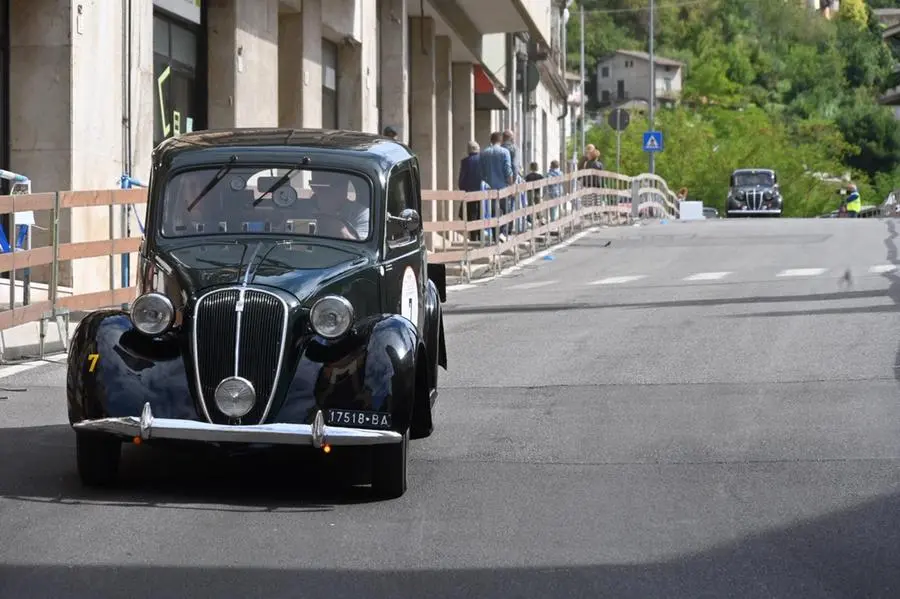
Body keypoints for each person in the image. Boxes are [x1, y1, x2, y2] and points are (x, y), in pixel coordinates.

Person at [302, 170, 370, 239]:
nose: (343, 188)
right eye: (318, 186)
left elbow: (362, 247)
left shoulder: (360, 213)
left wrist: (341, 232)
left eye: (342, 183)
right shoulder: (302, 209)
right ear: (313, 187)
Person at [479, 131, 514, 243]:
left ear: (491, 140)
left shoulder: (484, 153)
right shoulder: (505, 152)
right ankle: (503, 233)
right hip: (502, 186)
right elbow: (507, 170)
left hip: (489, 188)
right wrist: (511, 185)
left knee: (493, 212)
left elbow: (481, 171)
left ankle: (495, 235)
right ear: (501, 140)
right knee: (505, 210)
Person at [458, 141, 483, 241]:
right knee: (480, 213)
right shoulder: (483, 160)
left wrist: (462, 187)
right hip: (481, 191)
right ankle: (480, 236)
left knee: (471, 214)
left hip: (469, 191)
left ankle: (473, 238)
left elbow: (462, 177)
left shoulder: (465, 161)